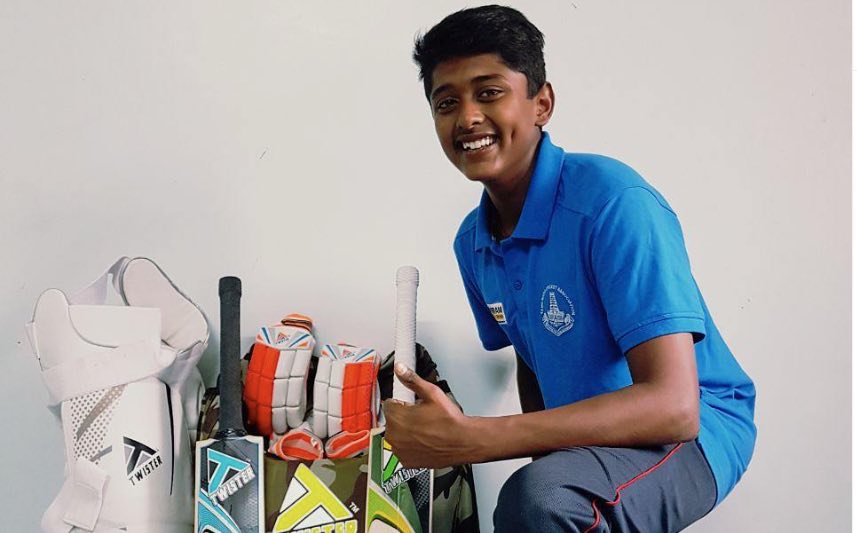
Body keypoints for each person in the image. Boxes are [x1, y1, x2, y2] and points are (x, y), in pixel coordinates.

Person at [382, 5, 756, 532]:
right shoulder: (473, 241)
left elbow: (675, 406)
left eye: (488, 92)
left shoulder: (612, 201)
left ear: (541, 103)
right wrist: (543, 458)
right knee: (539, 495)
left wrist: (480, 437)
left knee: (542, 499)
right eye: (447, 102)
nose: (466, 117)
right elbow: (532, 359)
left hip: (696, 432)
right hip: (597, 443)